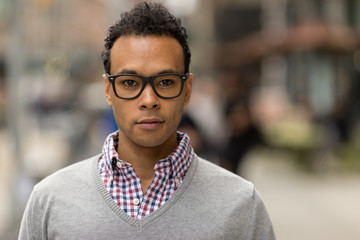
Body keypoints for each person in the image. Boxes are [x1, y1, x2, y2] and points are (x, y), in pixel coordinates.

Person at [19, 2, 275, 239]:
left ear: (187, 90)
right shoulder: (50, 200)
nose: (149, 99)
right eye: (130, 83)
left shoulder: (242, 205)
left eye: (165, 82)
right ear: (108, 90)